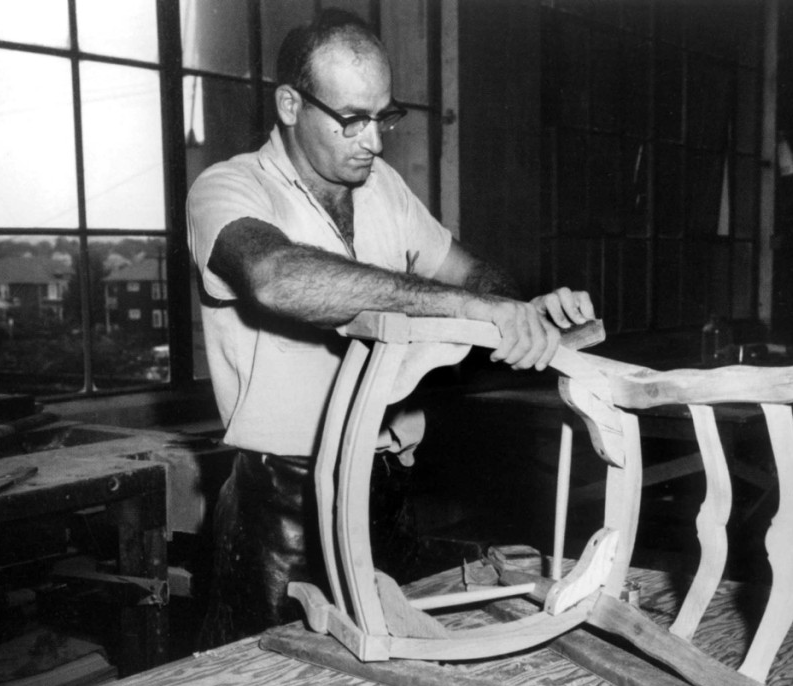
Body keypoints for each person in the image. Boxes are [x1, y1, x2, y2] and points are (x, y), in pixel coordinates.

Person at [186, 8, 594, 648]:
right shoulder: (229, 188)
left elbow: (473, 277)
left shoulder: (385, 190)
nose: (373, 141)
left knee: (393, 682)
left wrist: (523, 315)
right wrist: (467, 310)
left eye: (384, 117)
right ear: (291, 104)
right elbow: (277, 277)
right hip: (284, 499)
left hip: (387, 483)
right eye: (351, 119)